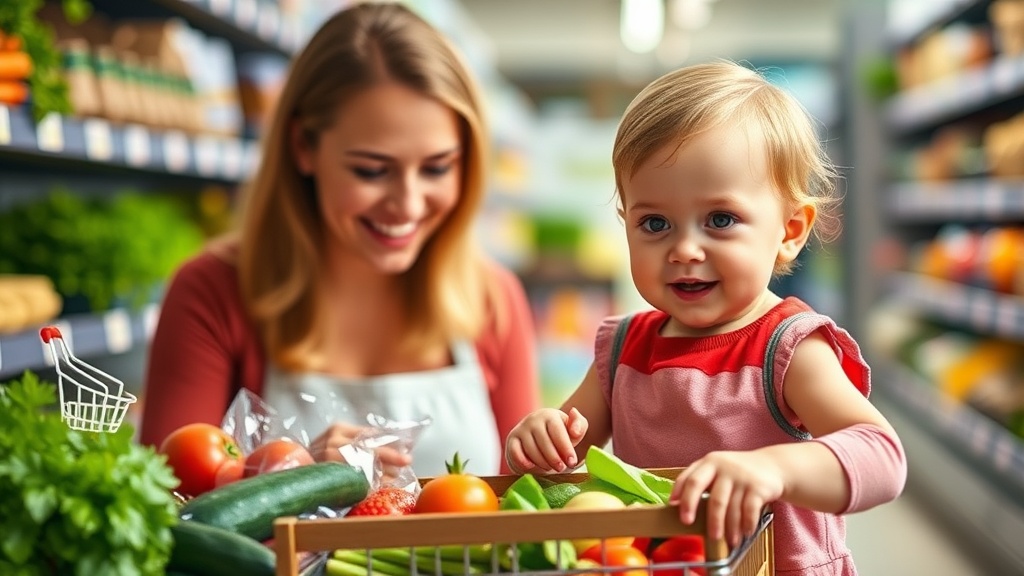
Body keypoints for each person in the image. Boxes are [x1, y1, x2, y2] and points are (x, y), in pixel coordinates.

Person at [505, 60, 906, 575]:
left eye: (720, 220)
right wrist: (539, 438)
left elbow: (882, 457)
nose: (685, 249)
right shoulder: (623, 349)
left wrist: (774, 469)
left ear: (790, 229)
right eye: (655, 223)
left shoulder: (787, 351)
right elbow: (563, 456)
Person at [140, 2, 541, 478]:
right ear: (303, 146)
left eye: (437, 167)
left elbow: (524, 508)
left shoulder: (493, 299)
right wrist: (293, 472)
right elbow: (166, 506)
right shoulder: (212, 292)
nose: (408, 205)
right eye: (372, 170)